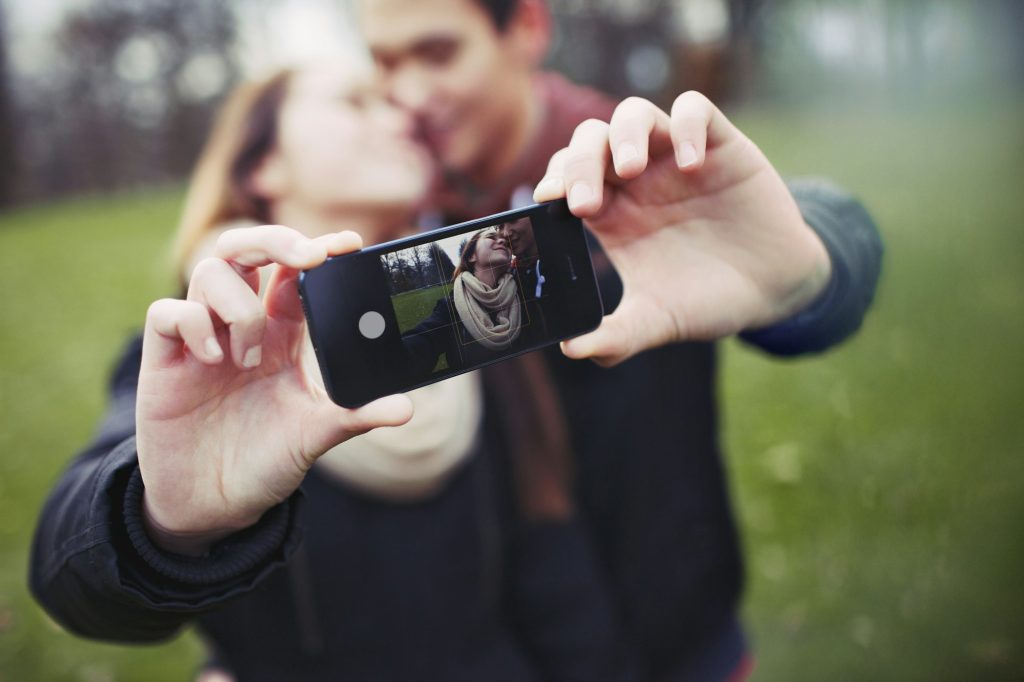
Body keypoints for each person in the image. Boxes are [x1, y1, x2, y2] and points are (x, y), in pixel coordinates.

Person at [30, 63, 617, 681]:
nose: (401, 118)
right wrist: (164, 522)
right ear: (262, 165)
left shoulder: (477, 330)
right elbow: (68, 579)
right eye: (357, 102)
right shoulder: (198, 361)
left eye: (396, 106)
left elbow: (552, 564)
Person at [357, 0, 884, 679]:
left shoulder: (626, 160)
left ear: (526, 28)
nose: (406, 93)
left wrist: (812, 270)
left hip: (678, 632)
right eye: (383, 60)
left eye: (436, 53)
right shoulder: (381, 204)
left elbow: (808, 245)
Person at [402, 226, 540, 377]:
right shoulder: (451, 307)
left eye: (506, 244)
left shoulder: (524, 289)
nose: (502, 240)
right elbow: (423, 342)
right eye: (491, 237)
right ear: (471, 256)